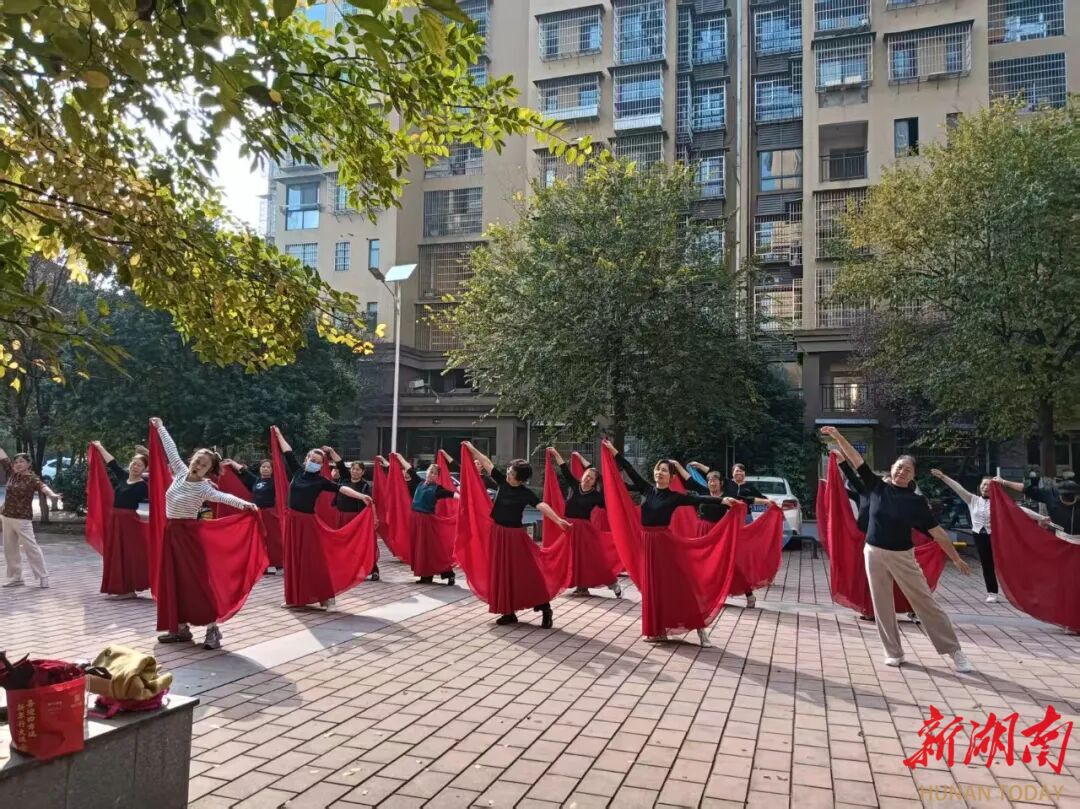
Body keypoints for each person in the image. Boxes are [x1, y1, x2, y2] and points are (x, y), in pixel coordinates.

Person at [821, 426, 975, 672]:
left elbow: (937, 532)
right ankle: (893, 652)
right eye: (899, 467)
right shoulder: (876, 486)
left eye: (908, 470)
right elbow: (856, 459)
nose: (902, 472)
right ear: (892, 468)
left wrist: (955, 558)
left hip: (902, 556)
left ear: (913, 476)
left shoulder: (916, 502)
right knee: (881, 604)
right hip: (873, 553)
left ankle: (954, 651)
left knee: (925, 602)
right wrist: (838, 437)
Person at [604, 441, 738, 647]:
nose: (660, 473)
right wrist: (614, 452)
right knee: (653, 588)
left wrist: (722, 500)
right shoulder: (647, 490)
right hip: (647, 543)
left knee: (679, 586)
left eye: (664, 470)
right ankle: (658, 630)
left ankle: (700, 629)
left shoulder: (675, 497)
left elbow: (697, 500)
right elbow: (629, 470)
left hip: (665, 544)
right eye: (658, 469)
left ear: (672, 477)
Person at [151, 419, 260, 650]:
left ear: (208, 470)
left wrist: (246, 505)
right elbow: (171, 449)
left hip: (189, 537)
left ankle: (213, 630)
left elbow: (224, 497)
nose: (198, 465)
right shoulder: (180, 473)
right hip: (171, 535)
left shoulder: (204, 488)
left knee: (197, 584)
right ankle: (180, 628)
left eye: (203, 464)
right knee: (173, 581)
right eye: (197, 461)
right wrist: (161, 427)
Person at [461, 441, 572, 628]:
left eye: (511, 473)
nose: (508, 474)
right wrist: (472, 449)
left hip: (515, 537)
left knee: (527, 573)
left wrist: (558, 520)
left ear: (520, 479)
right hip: (498, 534)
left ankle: (544, 607)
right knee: (502, 573)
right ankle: (508, 613)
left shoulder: (525, 493)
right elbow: (487, 462)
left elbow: (542, 506)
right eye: (509, 471)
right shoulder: (502, 482)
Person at [275, 430, 376, 608]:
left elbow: (341, 488)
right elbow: (287, 451)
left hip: (307, 523)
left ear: (322, 465)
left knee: (312, 560)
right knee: (293, 561)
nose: (314, 463)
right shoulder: (297, 472)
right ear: (306, 459)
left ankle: (323, 595)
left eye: (318, 462)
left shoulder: (320, 481)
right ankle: (294, 598)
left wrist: (361, 496)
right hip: (292, 522)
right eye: (312, 460)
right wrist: (278, 433)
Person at [931, 469, 1049, 604]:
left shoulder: (1000, 503)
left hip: (996, 537)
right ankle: (992, 592)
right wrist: (943, 477)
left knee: (1006, 565)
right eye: (983, 485)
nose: (985, 487)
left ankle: (1023, 591)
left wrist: (1041, 518)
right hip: (979, 536)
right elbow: (958, 488)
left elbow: (1021, 510)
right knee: (987, 565)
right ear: (979, 486)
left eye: (988, 485)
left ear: (995, 488)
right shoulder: (972, 500)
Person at [547, 448, 622, 598]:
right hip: (569, 527)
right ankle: (581, 586)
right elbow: (564, 469)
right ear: (582, 475)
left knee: (591, 558)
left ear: (594, 483)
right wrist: (556, 454)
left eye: (591, 478)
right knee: (569, 557)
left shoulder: (596, 496)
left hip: (584, 530)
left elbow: (611, 507)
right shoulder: (575, 485)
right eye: (587, 475)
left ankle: (612, 583)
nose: (588, 479)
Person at [684, 464, 755, 605]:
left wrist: (766, 502)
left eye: (715, 481)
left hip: (719, 534)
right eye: (710, 481)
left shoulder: (727, 496)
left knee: (728, 563)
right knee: (703, 563)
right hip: (703, 532)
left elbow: (746, 501)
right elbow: (689, 479)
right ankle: (707, 594)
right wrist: (676, 465)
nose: (712, 483)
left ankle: (749, 594)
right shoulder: (703, 492)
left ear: (721, 483)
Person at [91, 441, 150, 597]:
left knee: (127, 554)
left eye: (140, 465)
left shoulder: (142, 486)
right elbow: (112, 463)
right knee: (115, 553)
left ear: (144, 469)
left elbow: (158, 491)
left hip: (129, 523)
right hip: (115, 520)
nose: (135, 467)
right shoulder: (123, 476)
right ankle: (121, 587)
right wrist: (100, 447)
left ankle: (129, 589)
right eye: (134, 463)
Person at [1, 448, 60, 589]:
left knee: (31, 548)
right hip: (7, 517)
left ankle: (43, 577)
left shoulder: (32, 478)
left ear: (28, 464)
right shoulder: (11, 473)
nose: (18, 464)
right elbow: (3, 457)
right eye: (16, 462)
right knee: (10, 550)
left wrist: (52, 495)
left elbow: (42, 486)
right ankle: (16, 578)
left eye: (21, 461)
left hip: (23, 519)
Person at [394, 453, 457, 585]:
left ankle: (448, 573)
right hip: (415, 520)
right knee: (420, 549)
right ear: (427, 472)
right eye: (430, 472)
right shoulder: (419, 482)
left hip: (427, 522)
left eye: (435, 473)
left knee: (431, 549)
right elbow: (409, 468)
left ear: (437, 477)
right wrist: (399, 457)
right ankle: (425, 576)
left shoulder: (438, 489)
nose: (431, 475)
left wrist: (464, 500)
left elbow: (451, 494)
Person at [222, 458, 283, 574]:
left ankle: (279, 565)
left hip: (270, 515)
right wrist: (232, 463)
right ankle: (263, 566)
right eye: (263, 467)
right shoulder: (256, 481)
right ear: (260, 469)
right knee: (259, 540)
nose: (265, 469)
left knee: (273, 540)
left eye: (268, 467)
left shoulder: (275, 482)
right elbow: (244, 472)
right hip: (257, 514)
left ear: (272, 470)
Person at [995, 475, 1079, 536]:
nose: (1067, 499)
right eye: (1065, 496)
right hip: (1058, 537)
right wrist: (1004, 482)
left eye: (1071, 497)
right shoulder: (1050, 494)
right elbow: (1026, 489)